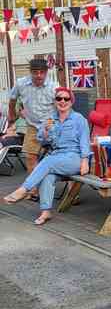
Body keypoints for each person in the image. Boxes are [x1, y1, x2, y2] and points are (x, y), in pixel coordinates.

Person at [3, 87, 91, 225]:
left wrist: (85, 161)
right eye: (59, 98)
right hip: (56, 156)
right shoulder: (50, 120)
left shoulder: (79, 119)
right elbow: (43, 141)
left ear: (71, 102)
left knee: (47, 161)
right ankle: (46, 212)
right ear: (55, 102)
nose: (62, 101)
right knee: (47, 176)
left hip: (74, 158)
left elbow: (85, 141)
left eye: (66, 99)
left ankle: (24, 190)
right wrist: (45, 132)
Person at [7, 58, 56, 172]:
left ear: (46, 72)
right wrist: (12, 115)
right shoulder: (21, 84)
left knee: (58, 156)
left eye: (42, 72)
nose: (39, 75)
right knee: (30, 157)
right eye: (35, 72)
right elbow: (12, 99)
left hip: (51, 125)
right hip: (32, 126)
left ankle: (54, 181)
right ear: (30, 72)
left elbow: (62, 107)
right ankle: (33, 188)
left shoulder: (54, 87)